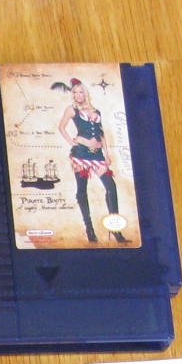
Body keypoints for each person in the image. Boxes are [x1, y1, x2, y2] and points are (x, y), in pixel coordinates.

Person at [57, 79, 130, 244]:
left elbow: (101, 133)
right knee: (82, 190)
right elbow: (61, 127)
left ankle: (115, 229)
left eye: (81, 92)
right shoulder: (72, 110)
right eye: (75, 93)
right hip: (80, 153)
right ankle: (89, 229)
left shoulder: (96, 111)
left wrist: (107, 154)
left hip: (97, 154)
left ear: (85, 93)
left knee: (111, 187)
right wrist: (71, 142)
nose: (78, 95)